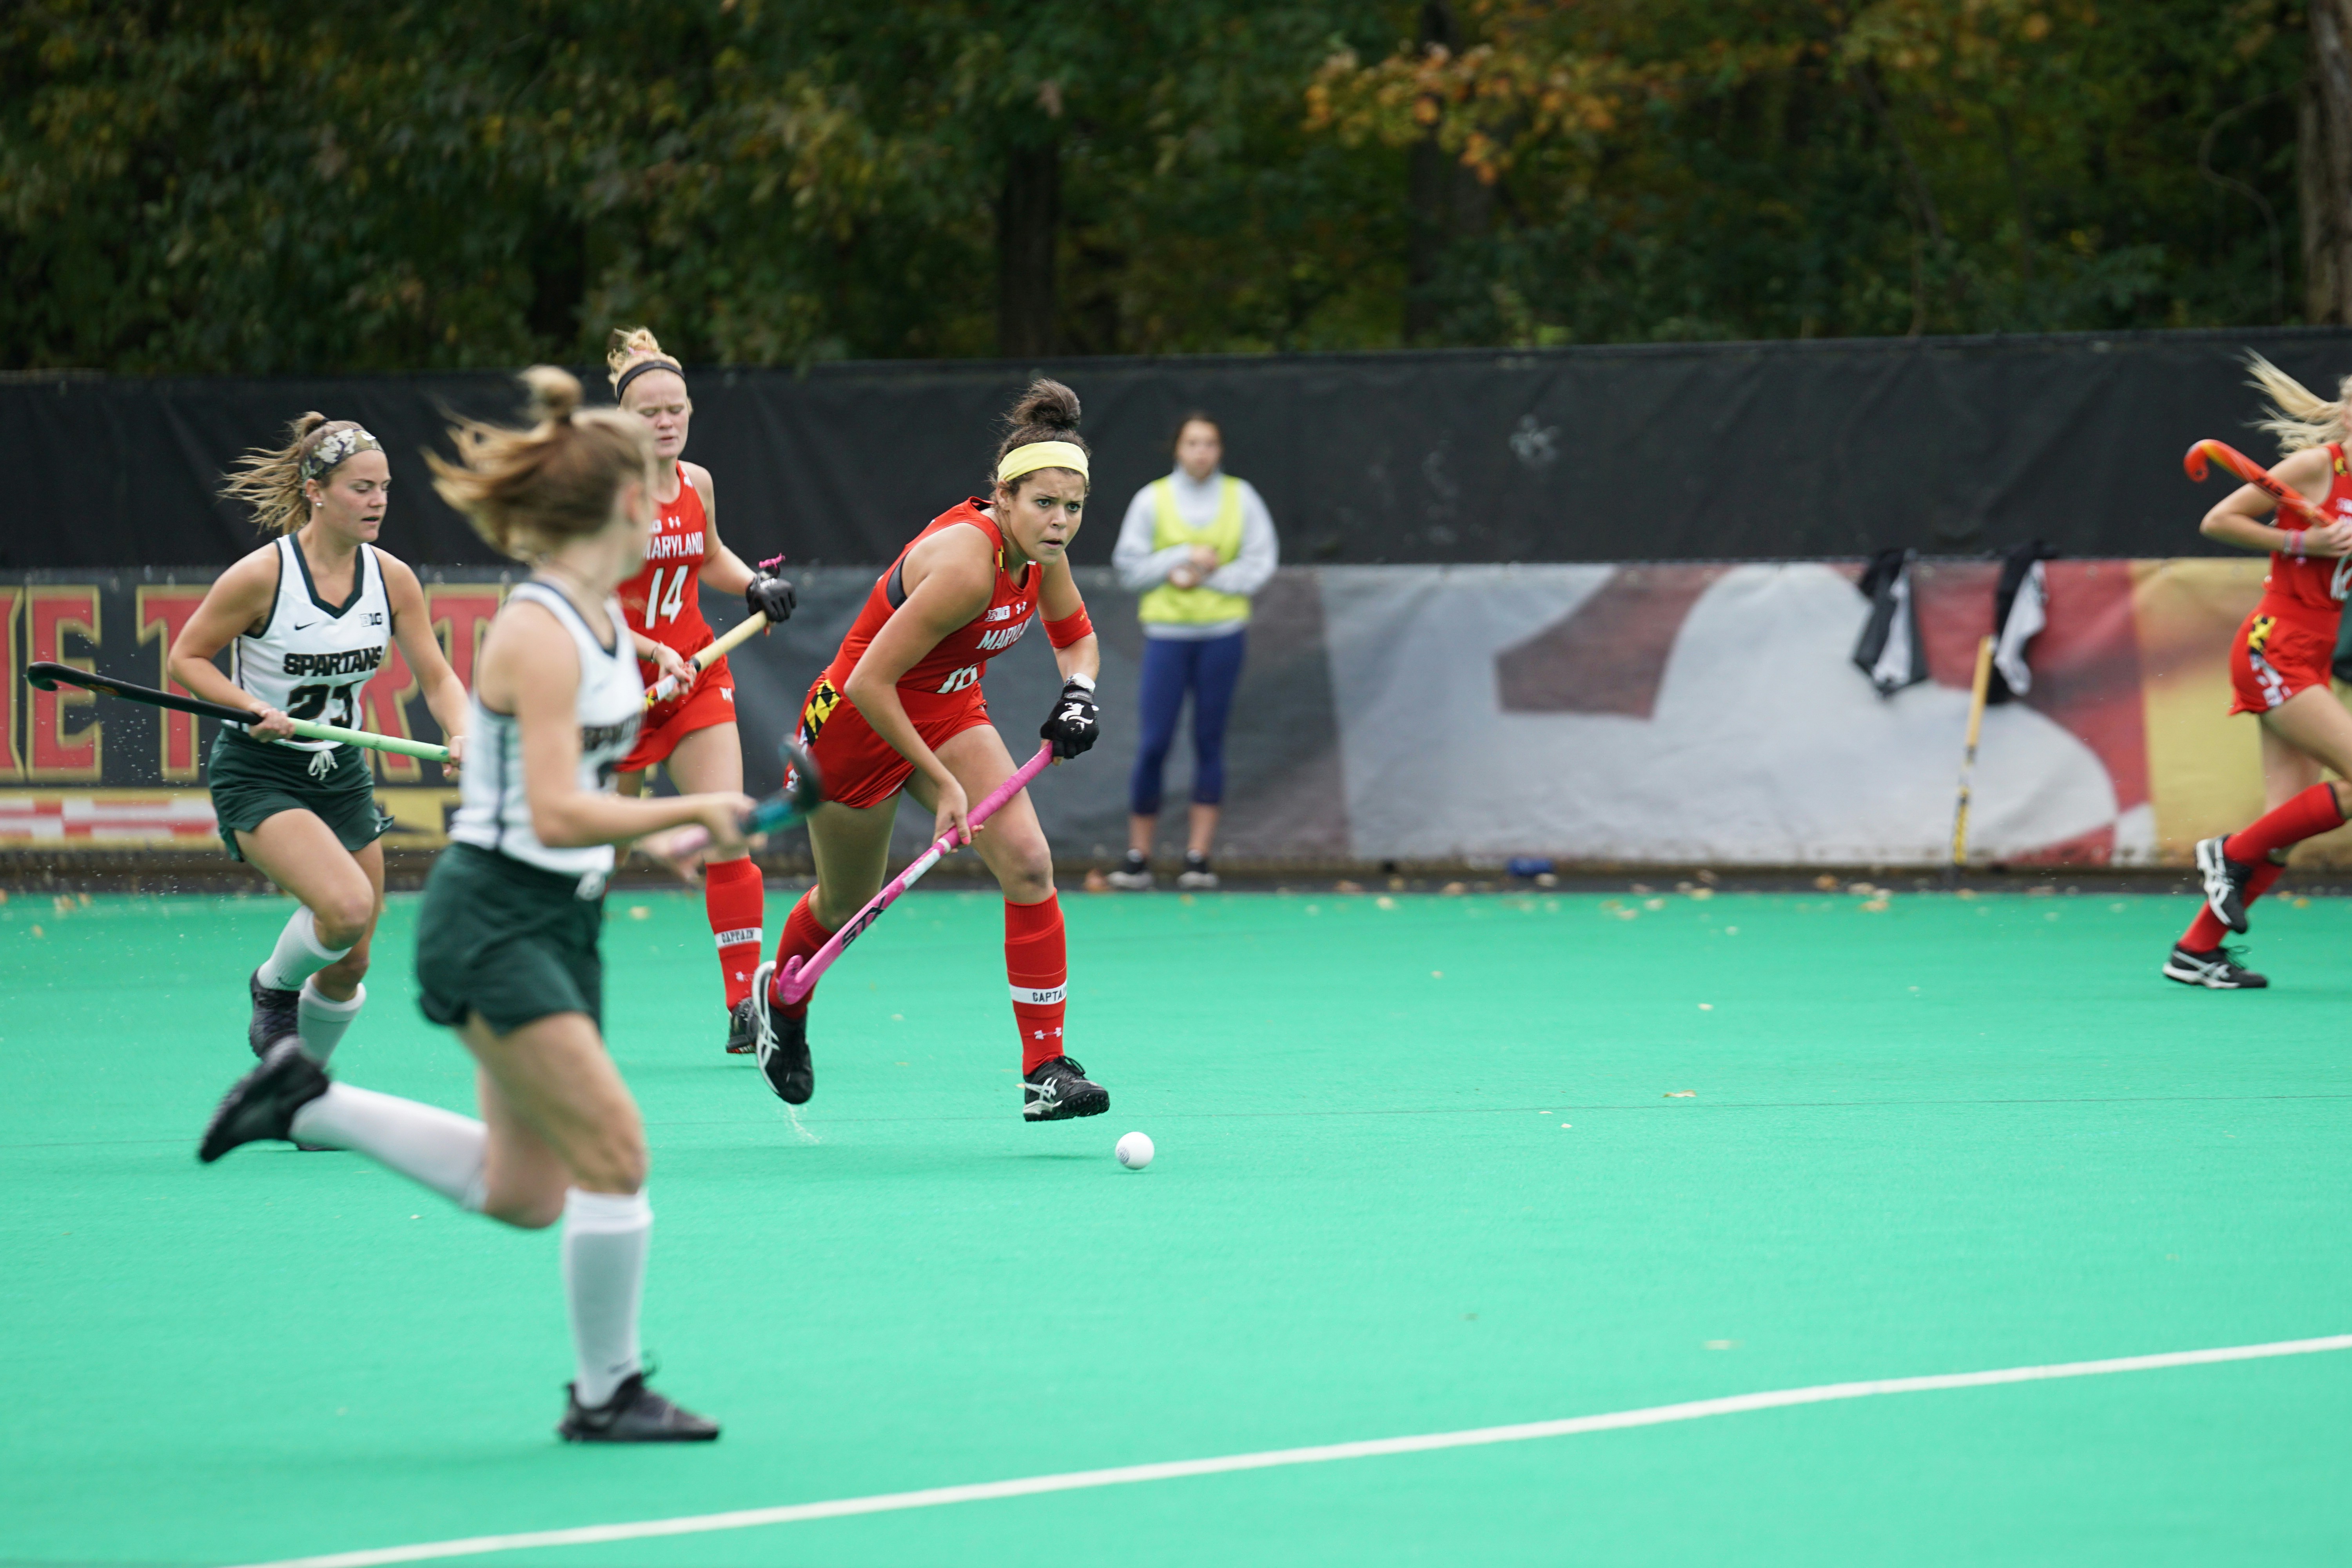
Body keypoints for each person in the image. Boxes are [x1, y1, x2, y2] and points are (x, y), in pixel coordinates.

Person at [197, 367, 754, 1441]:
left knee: (527, 1192)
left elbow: (577, 797)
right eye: (652, 492)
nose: (669, 511)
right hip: (497, 920)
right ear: (621, 506)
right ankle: (606, 1394)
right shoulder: (542, 631)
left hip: (557, 920)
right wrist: (688, 813)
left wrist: (678, 836)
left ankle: (306, 1100)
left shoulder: (600, 622)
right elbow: (553, 808)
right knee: (618, 1151)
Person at [741, 378, 1108, 1120]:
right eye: (1044, 504)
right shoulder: (967, 568)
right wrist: (943, 783)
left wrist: (1080, 691)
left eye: (1072, 507)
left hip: (946, 710)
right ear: (1002, 497)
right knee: (845, 897)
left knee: (1030, 863)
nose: (1061, 521)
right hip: (855, 722)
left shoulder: (1042, 555)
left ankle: (1046, 1069)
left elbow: (1077, 641)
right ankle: (780, 1001)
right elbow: (873, 681)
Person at [169, 415, 470, 1067]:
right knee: (344, 907)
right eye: (362, 488)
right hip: (260, 772)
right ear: (315, 490)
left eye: (384, 488)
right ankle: (272, 988)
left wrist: (462, 728)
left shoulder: (392, 579)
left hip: (340, 776)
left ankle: (300, 1091)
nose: (379, 501)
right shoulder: (261, 577)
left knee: (351, 957)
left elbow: (438, 674)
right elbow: (186, 660)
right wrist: (249, 706)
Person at [604, 328, 797, 1056]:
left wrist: (754, 583)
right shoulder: (604, 497)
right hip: (616, 693)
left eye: (676, 408)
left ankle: (744, 1002)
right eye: (650, 411)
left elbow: (708, 554)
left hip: (695, 673)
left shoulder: (698, 483)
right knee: (602, 857)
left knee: (728, 828)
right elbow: (582, 602)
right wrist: (652, 652)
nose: (666, 421)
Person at [2167, 355, 2352, 989]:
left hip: (2314, 655)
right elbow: (2219, 519)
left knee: (2285, 825)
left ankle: (2194, 952)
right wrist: (2306, 543)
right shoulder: (2315, 468)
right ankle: (2227, 855)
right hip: (2273, 648)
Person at [1105, 411, 1276, 891]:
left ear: (1219, 450)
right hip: (1166, 637)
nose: (1201, 451)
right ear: (1178, 448)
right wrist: (1179, 560)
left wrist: (1210, 576)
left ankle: (1197, 857)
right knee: (1155, 743)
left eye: (1210, 443)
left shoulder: (1242, 498)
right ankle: (1138, 856)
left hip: (1223, 635)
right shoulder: (1151, 500)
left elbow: (1261, 562)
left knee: (1210, 741)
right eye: (1192, 442)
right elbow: (1130, 566)